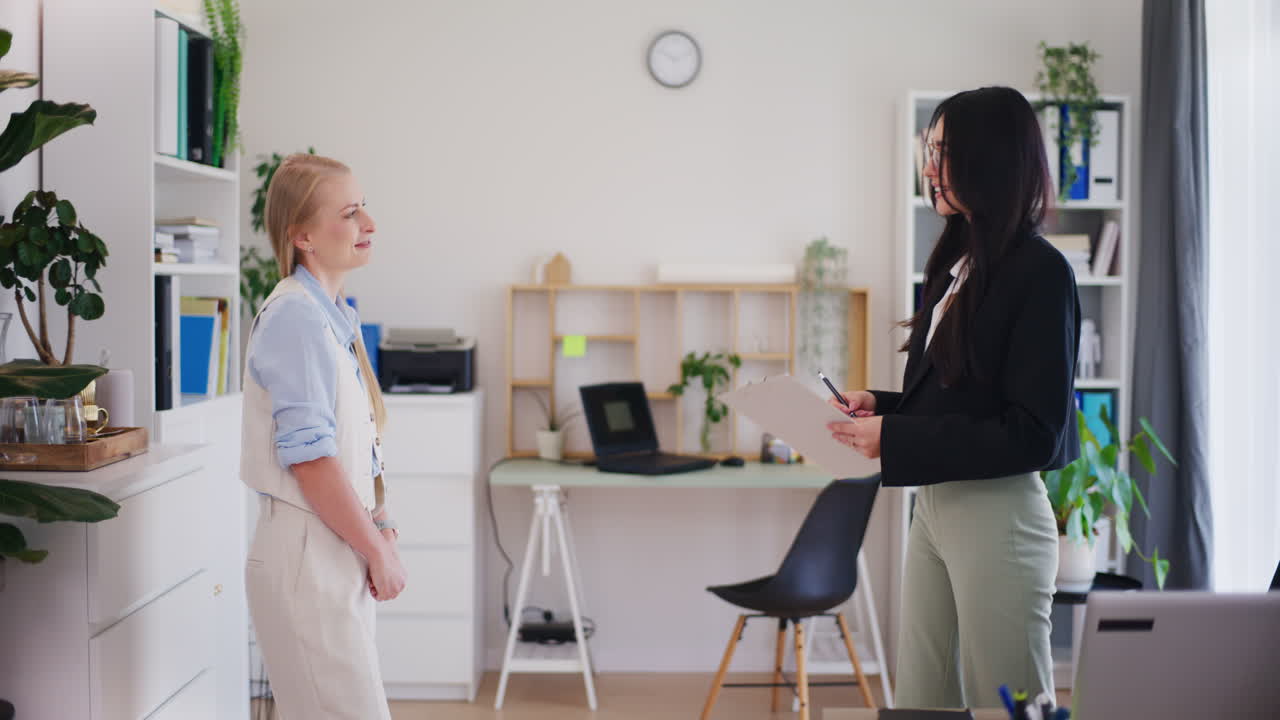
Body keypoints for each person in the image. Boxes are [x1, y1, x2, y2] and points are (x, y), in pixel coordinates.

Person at [828, 87, 1080, 708]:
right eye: (929, 151)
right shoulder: (955, 265)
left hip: (998, 515)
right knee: (923, 701)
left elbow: (1034, 432)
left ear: (988, 159)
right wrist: (884, 407)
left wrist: (895, 436)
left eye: (943, 152)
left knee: (1010, 706)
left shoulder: (1042, 273)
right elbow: (959, 398)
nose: (930, 168)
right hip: (935, 507)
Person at [241, 153, 405, 719]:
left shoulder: (330, 315)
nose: (369, 224)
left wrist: (379, 525)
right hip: (308, 559)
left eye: (364, 209)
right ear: (303, 236)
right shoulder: (296, 318)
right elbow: (310, 461)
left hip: (332, 550)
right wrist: (376, 551)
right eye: (350, 213)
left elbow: (351, 445)